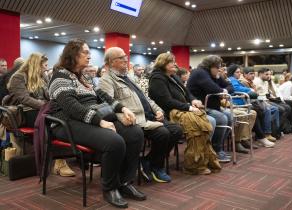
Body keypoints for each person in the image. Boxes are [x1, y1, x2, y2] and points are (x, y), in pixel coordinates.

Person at [49, 39, 145, 208]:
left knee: (135, 133)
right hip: (67, 122)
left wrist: (122, 109)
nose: (89, 56)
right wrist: (99, 121)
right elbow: (72, 107)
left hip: (90, 117)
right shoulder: (59, 76)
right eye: (85, 52)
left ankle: (124, 182)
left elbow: (102, 96)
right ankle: (110, 188)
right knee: (114, 141)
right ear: (73, 55)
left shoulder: (84, 75)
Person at [99, 47, 182, 183]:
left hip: (149, 115)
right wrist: (125, 117)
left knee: (176, 130)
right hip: (135, 119)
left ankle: (147, 161)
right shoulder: (106, 80)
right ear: (111, 62)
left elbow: (146, 98)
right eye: (121, 58)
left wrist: (158, 110)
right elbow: (109, 104)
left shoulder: (128, 78)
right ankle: (156, 166)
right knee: (163, 133)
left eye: (125, 56)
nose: (126, 60)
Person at [3, 53, 76, 177]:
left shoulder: (42, 76)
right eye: (44, 65)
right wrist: (45, 106)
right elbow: (24, 99)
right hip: (27, 112)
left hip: (44, 109)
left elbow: (50, 95)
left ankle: (64, 157)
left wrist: (58, 100)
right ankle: (59, 162)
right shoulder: (18, 77)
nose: (46, 68)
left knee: (66, 116)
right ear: (35, 65)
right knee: (55, 122)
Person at [148, 53, 219, 175]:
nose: (174, 64)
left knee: (210, 121)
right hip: (169, 112)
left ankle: (203, 159)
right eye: (171, 62)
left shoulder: (173, 76)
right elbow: (166, 102)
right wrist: (189, 107)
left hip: (182, 108)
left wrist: (193, 100)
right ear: (163, 64)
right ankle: (193, 164)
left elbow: (187, 92)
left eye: (174, 61)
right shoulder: (157, 78)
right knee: (203, 124)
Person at [187, 55, 233, 162]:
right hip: (200, 106)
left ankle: (216, 146)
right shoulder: (200, 73)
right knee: (222, 118)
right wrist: (222, 90)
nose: (220, 70)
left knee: (230, 116)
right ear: (211, 66)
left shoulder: (214, 75)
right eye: (218, 67)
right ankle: (215, 149)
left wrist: (224, 90)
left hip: (212, 106)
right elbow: (213, 89)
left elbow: (230, 87)